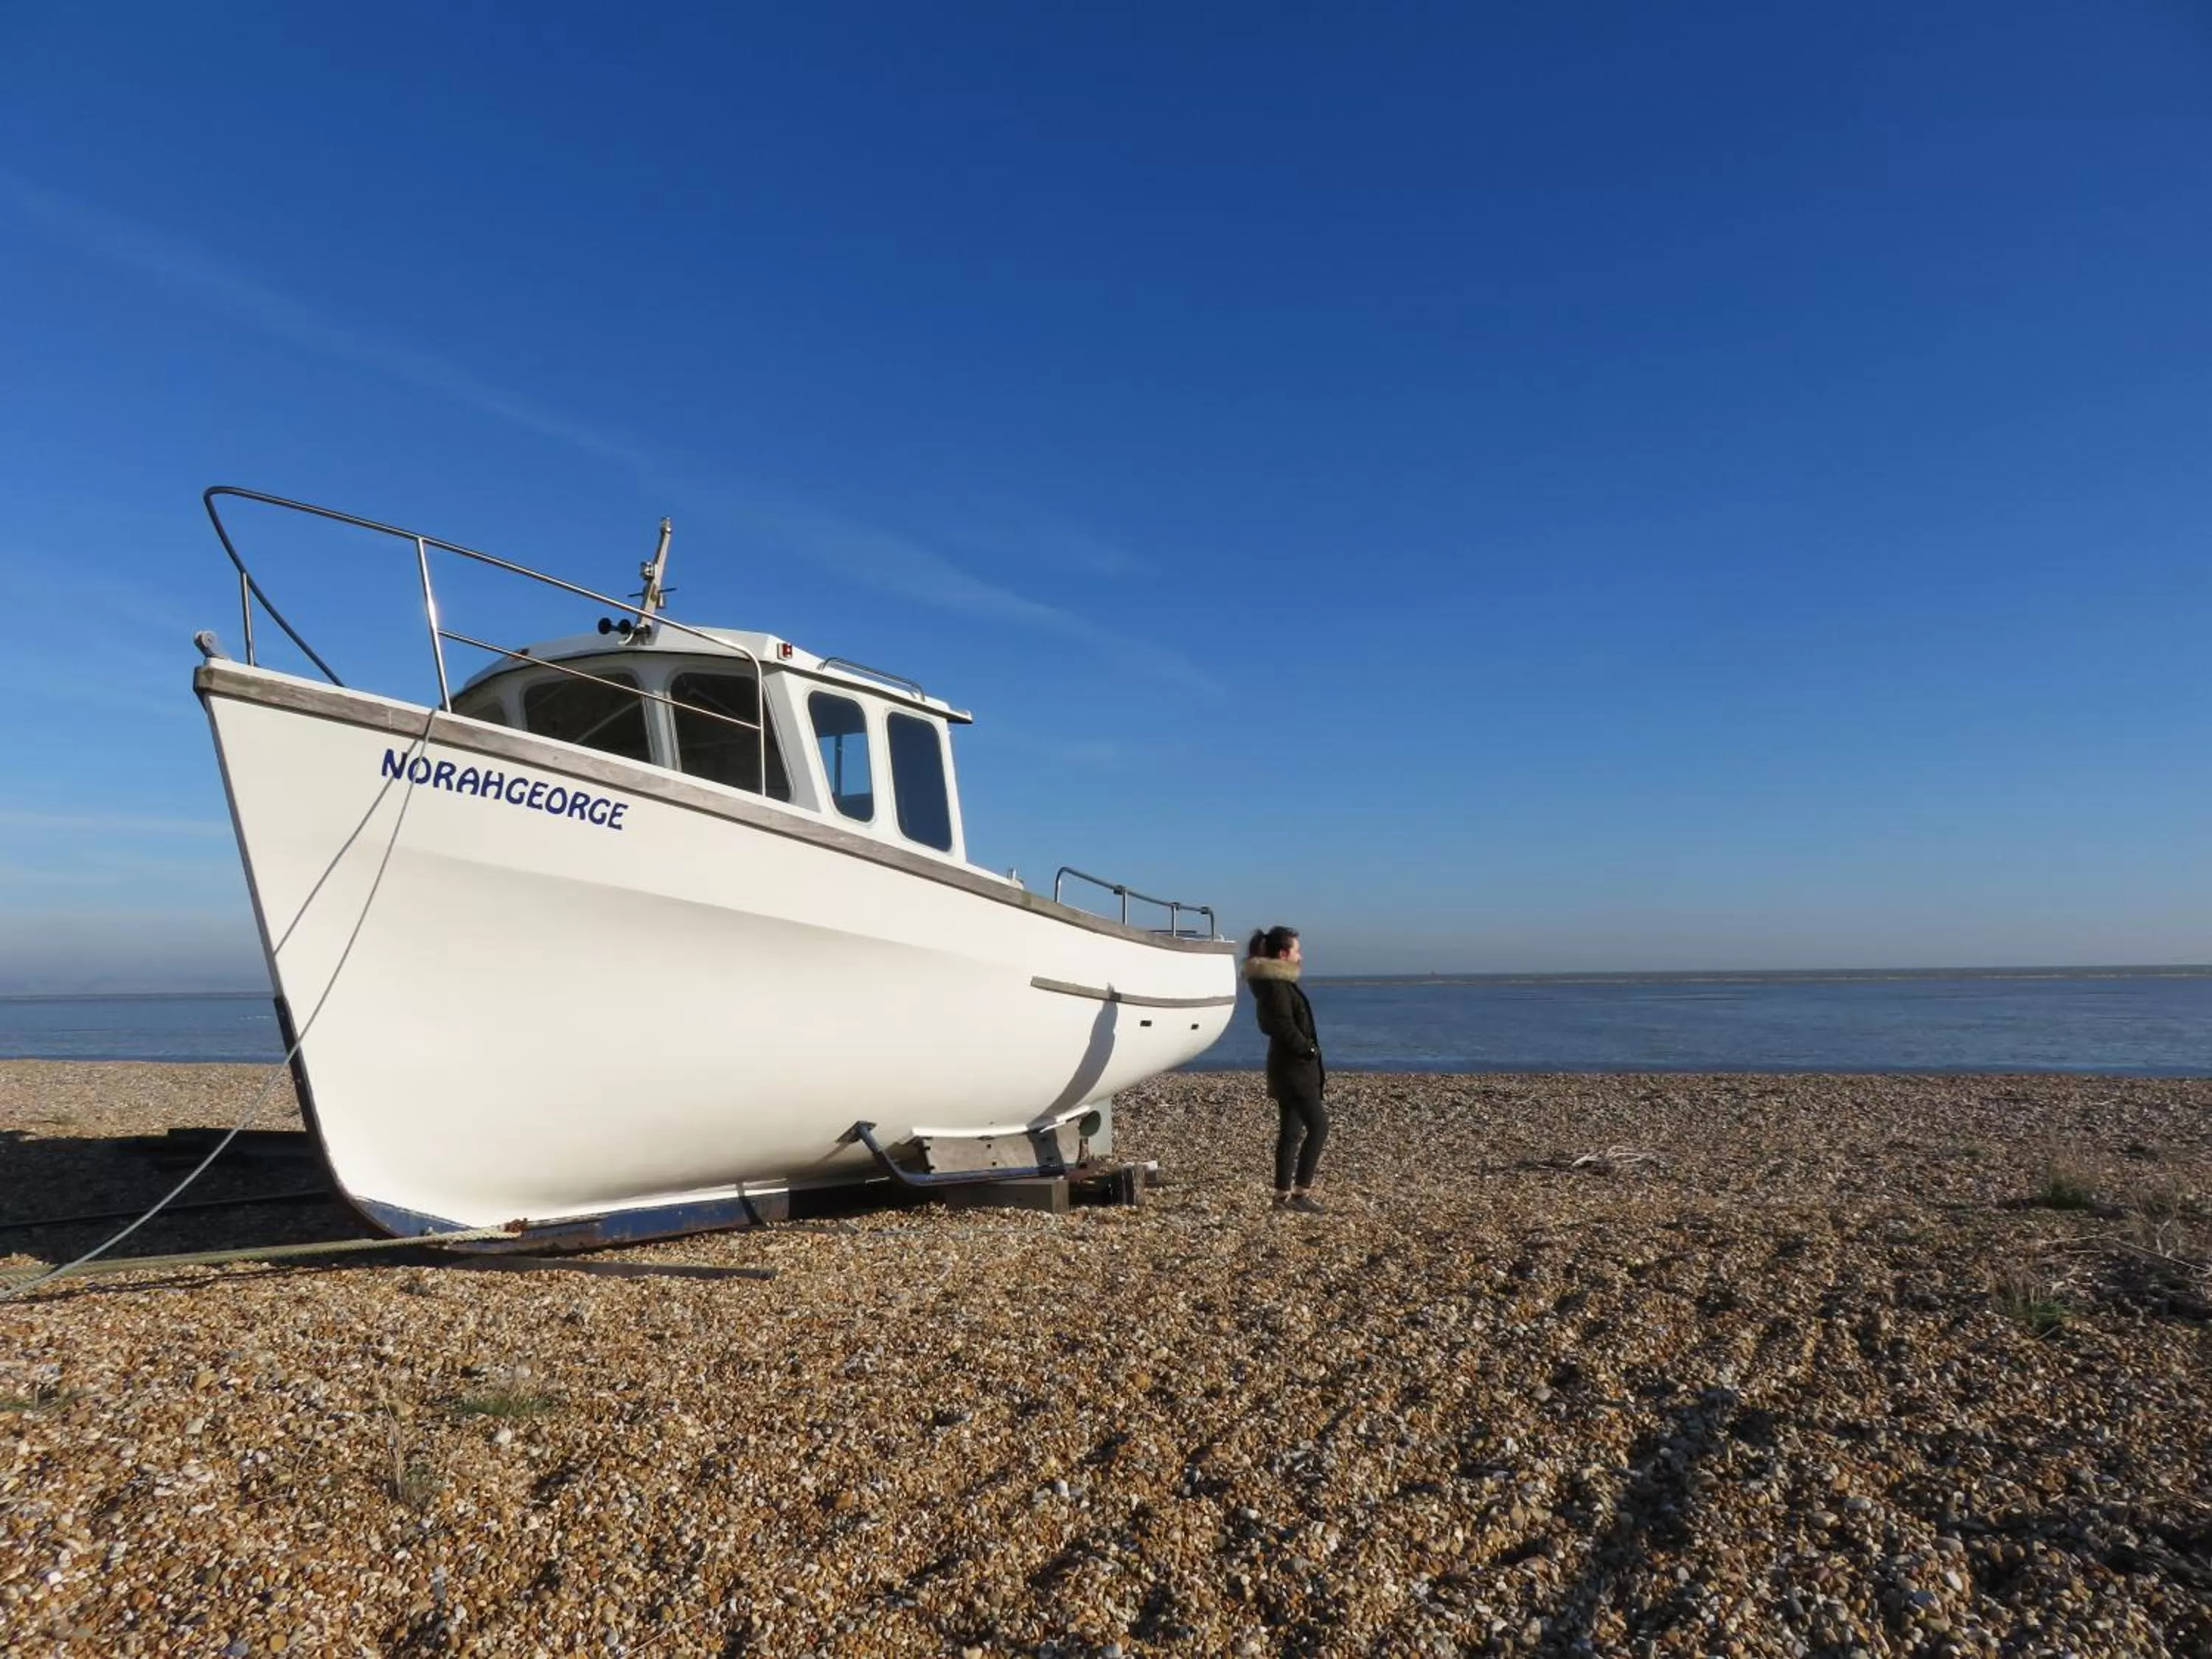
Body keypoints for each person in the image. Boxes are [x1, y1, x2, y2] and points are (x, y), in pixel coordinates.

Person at [1244, 925, 1328, 1212]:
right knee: (1318, 1128)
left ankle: (1282, 1196)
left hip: (1289, 1069)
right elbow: (1279, 1024)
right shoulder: (1276, 987)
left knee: (1291, 1133)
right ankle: (1300, 1193)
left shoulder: (1276, 984)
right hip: (1295, 1071)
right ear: (1283, 953)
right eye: (1296, 949)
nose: (1300, 955)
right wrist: (1307, 1048)